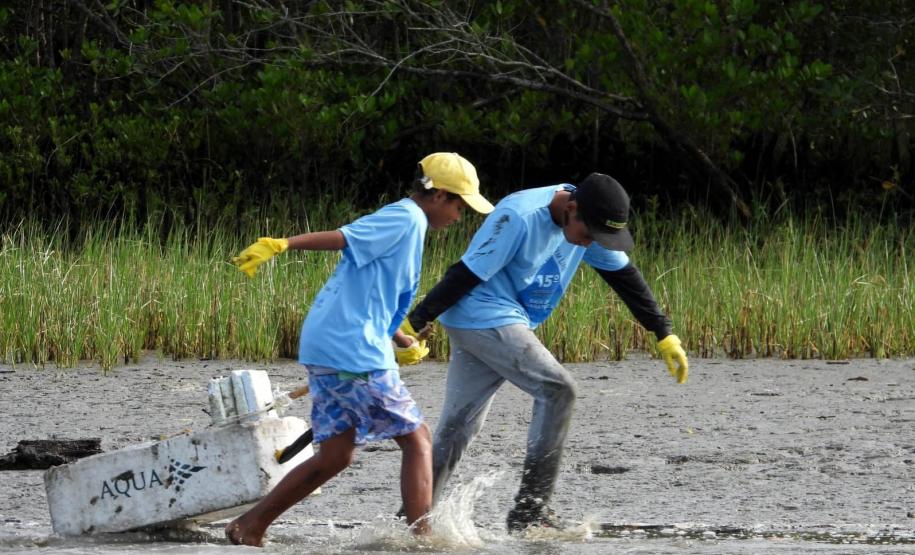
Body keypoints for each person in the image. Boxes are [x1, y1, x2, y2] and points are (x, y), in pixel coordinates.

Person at [225, 152, 494, 546]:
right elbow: (344, 237)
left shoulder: (411, 225)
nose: (459, 216)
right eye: (458, 205)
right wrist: (282, 243)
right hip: (351, 350)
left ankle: (249, 527)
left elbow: (371, 295)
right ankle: (422, 541)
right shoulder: (405, 218)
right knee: (418, 439)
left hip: (334, 345)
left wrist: (400, 338)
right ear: (437, 195)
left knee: (336, 456)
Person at [400, 173, 689, 533]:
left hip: (502, 319)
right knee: (558, 389)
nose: (588, 245)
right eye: (587, 235)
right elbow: (467, 272)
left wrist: (663, 333)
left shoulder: (588, 222)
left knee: (458, 429)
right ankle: (530, 511)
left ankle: (410, 521)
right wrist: (414, 323)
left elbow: (624, 277)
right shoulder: (519, 216)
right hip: (483, 313)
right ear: (571, 209)